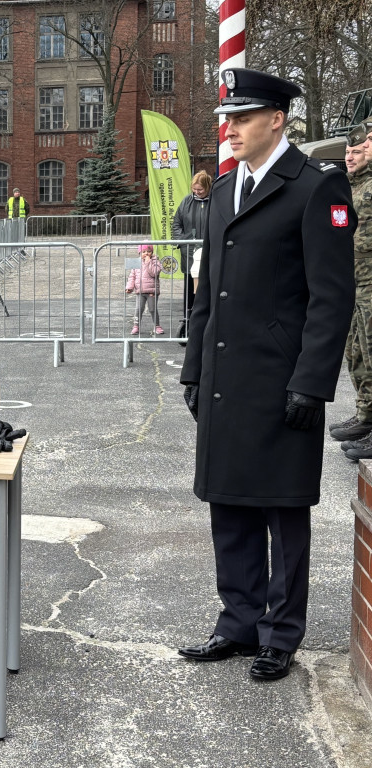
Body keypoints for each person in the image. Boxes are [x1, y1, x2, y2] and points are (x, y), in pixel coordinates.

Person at [179, 69, 355, 681]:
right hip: (228, 378)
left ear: (276, 119)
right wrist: (194, 366)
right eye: (228, 118)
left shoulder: (315, 188)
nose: (229, 129)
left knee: (282, 512)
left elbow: (332, 299)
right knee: (229, 507)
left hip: (282, 382)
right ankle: (238, 622)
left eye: (242, 118)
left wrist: (312, 382)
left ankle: (281, 633)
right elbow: (209, 294)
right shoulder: (225, 192)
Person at [331, 124, 372, 450]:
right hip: (354, 282)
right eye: (349, 152)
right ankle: (366, 415)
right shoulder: (349, 187)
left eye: (358, 151)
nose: (351, 157)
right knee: (356, 352)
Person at [172, 170, 212, 316]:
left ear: (208, 187)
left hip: (210, 253)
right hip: (189, 253)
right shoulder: (186, 202)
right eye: (194, 189)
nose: (197, 192)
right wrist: (182, 242)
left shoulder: (216, 200)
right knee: (190, 289)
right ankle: (188, 319)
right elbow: (177, 224)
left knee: (209, 287)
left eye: (200, 189)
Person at [125, 244, 163, 335]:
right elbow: (132, 276)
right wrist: (129, 287)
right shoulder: (136, 262)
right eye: (144, 252)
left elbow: (154, 273)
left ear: (152, 253)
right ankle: (136, 326)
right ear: (140, 253)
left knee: (152, 309)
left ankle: (157, 325)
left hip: (151, 291)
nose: (146, 254)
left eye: (149, 252)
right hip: (140, 291)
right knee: (139, 309)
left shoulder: (156, 262)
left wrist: (148, 262)